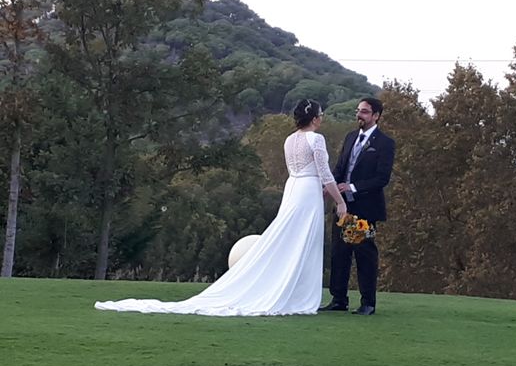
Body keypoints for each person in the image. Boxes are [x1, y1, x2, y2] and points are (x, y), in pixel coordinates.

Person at [95, 99, 347, 316]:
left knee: (291, 239)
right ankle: (297, 295)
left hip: (293, 188)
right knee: (303, 241)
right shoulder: (316, 139)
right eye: (321, 116)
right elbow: (324, 174)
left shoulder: (290, 140)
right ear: (314, 118)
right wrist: (340, 201)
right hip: (306, 192)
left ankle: (293, 291)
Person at [319, 97, 395, 315]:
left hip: (366, 208)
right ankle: (338, 299)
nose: (359, 115)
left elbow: (382, 178)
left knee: (365, 255)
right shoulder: (351, 137)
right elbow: (340, 167)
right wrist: (330, 186)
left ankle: (368, 302)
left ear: (376, 116)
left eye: (364, 111)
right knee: (339, 253)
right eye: (358, 111)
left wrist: (351, 187)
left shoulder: (384, 143)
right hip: (342, 207)